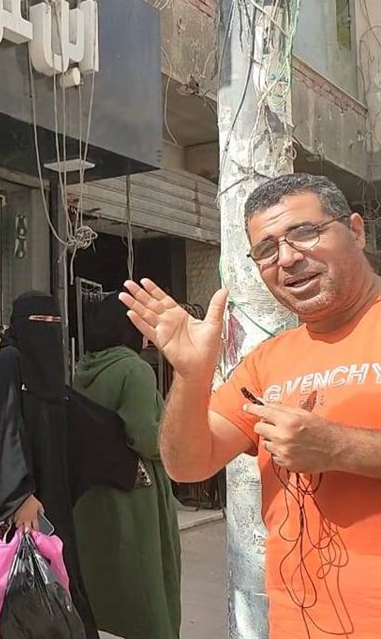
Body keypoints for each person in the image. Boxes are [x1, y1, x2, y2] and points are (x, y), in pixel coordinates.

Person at [122, 173, 381, 637]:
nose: (287, 258)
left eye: (305, 232)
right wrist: (192, 375)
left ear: (356, 231)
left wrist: (340, 447)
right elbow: (187, 465)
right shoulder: (267, 360)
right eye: (266, 249)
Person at [0, 291, 97, 638]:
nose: (48, 329)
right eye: (40, 321)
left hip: (52, 501)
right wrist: (20, 495)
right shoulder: (7, 363)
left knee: (59, 602)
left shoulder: (47, 368)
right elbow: (2, 429)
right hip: (16, 506)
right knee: (12, 606)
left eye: (54, 322)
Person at [72, 293, 182, 639]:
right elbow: (146, 437)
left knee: (106, 576)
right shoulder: (135, 370)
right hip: (138, 494)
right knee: (149, 580)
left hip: (95, 490)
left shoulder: (84, 369)